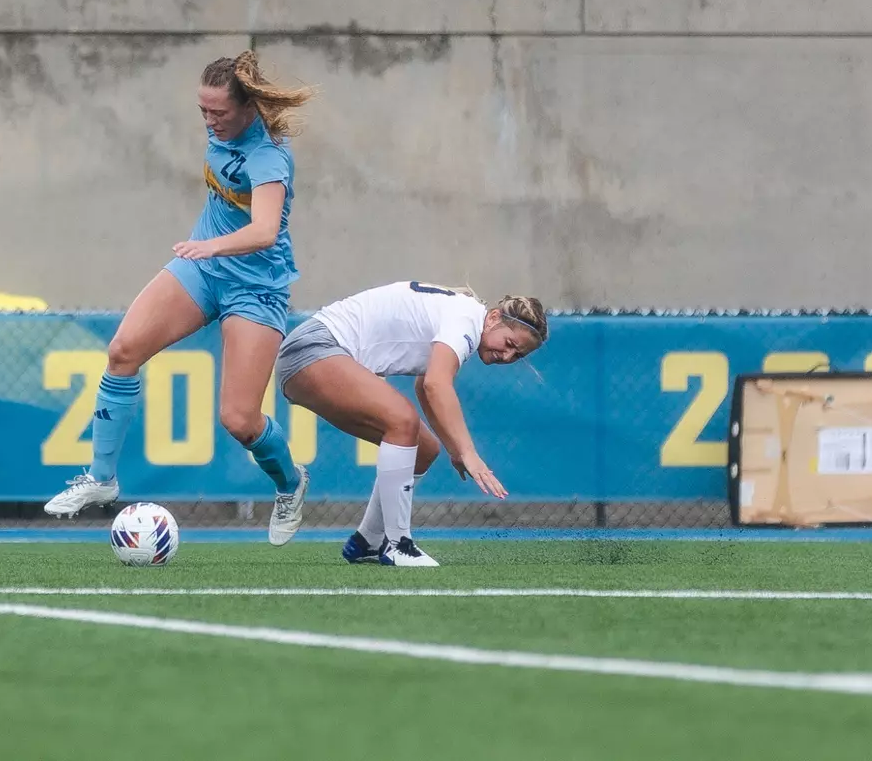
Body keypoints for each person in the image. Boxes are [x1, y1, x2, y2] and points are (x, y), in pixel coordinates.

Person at [45, 51, 316, 545]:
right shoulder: (220, 135)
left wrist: (211, 244)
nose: (210, 121)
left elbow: (263, 230)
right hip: (202, 269)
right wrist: (206, 252)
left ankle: (290, 482)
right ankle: (101, 479)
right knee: (122, 351)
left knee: (239, 418)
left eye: (219, 112)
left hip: (255, 287)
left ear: (248, 107)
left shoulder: (268, 157)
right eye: (203, 111)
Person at [275, 281, 547, 566]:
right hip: (311, 350)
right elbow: (436, 385)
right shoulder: (467, 320)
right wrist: (469, 453)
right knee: (402, 420)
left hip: (313, 354)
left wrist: (454, 448)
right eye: (509, 344)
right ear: (493, 318)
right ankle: (399, 544)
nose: (507, 356)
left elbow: (424, 387)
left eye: (518, 355)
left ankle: (367, 541)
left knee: (424, 448)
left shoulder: (464, 319)